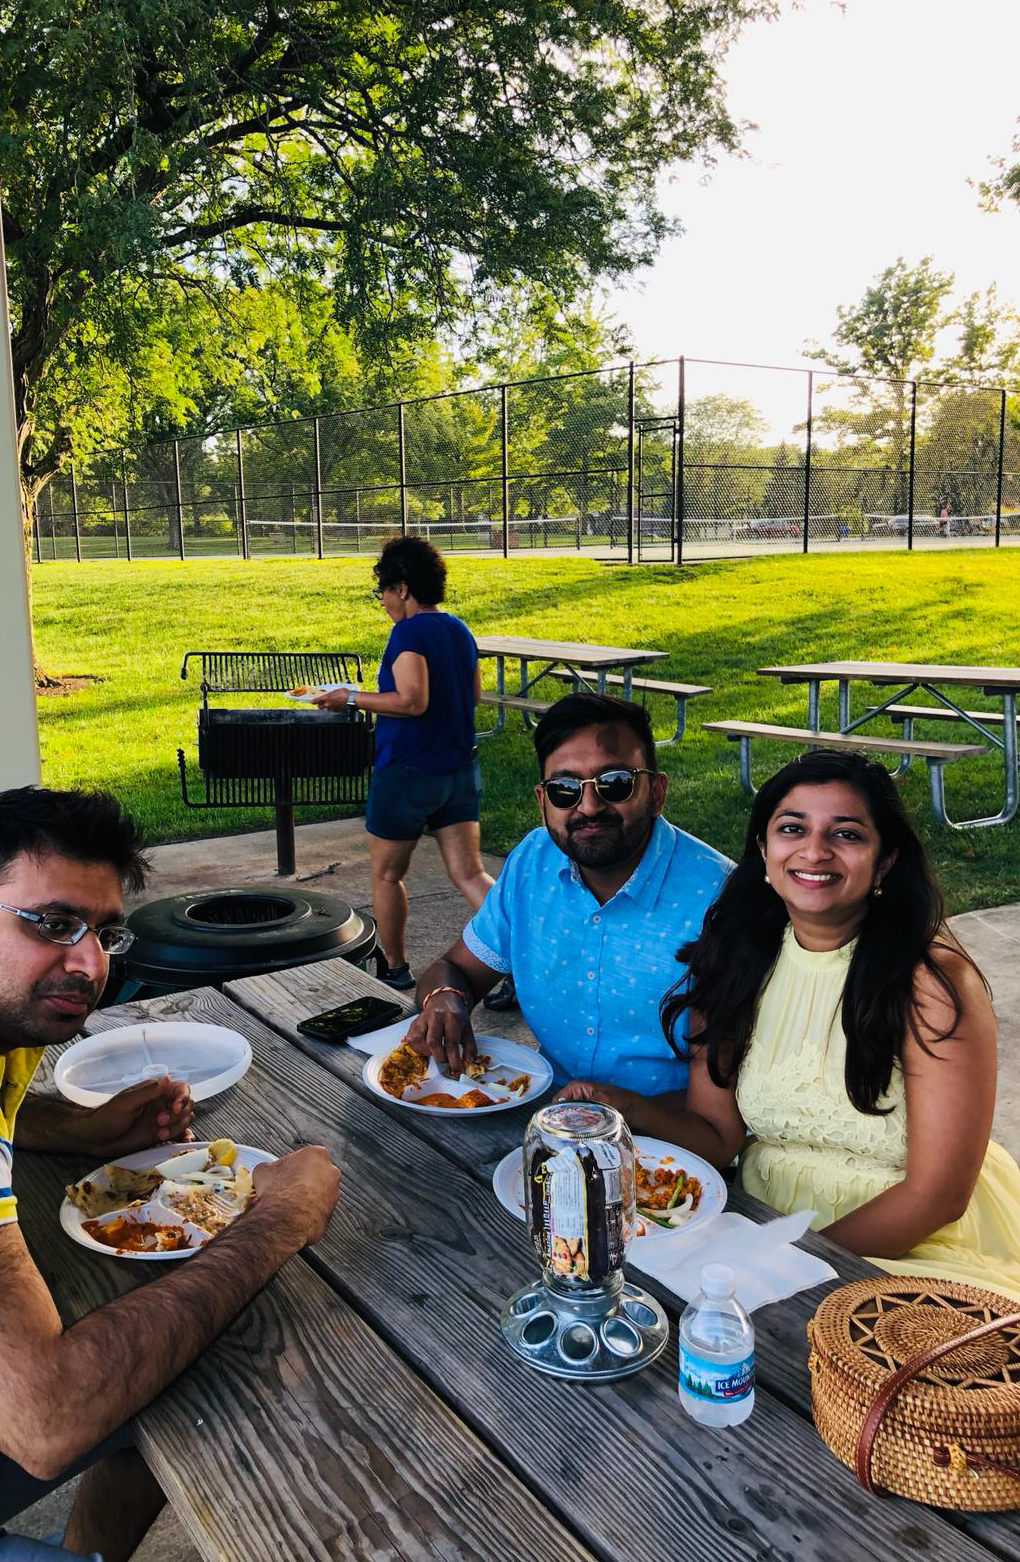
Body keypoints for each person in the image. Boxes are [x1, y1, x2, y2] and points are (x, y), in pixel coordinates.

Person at [0, 785, 340, 1560]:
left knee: (178, 1374)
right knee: (149, 1365)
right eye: (53, 924)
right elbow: (44, 1417)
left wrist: (77, 1127)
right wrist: (276, 1223)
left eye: (105, 932)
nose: (90, 965)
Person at [584, 749, 1020, 1301]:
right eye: (792, 828)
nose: (815, 851)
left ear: (885, 861)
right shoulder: (736, 960)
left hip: (912, 1243)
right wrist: (625, 1107)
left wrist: (790, 1267)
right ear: (764, 850)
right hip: (761, 1220)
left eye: (847, 834)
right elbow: (717, 1136)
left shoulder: (930, 983)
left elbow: (936, 1197)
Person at [407, 693, 733, 1101]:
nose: (590, 806)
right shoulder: (534, 860)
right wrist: (445, 999)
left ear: (656, 792)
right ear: (542, 800)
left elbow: (738, 1093)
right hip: (543, 1109)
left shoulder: (721, 897)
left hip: (670, 1132)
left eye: (616, 783)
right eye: (565, 789)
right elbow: (456, 968)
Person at [314, 536, 492, 990]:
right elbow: (472, 695)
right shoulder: (458, 629)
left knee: (387, 874)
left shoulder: (409, 632)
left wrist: (349, 697)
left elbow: (412, 701)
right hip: (459, 769)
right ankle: (518, 958)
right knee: (470, 873)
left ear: (403, 588)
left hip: (408, 771)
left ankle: (394, 968)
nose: (383, 601)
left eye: (383, 591)